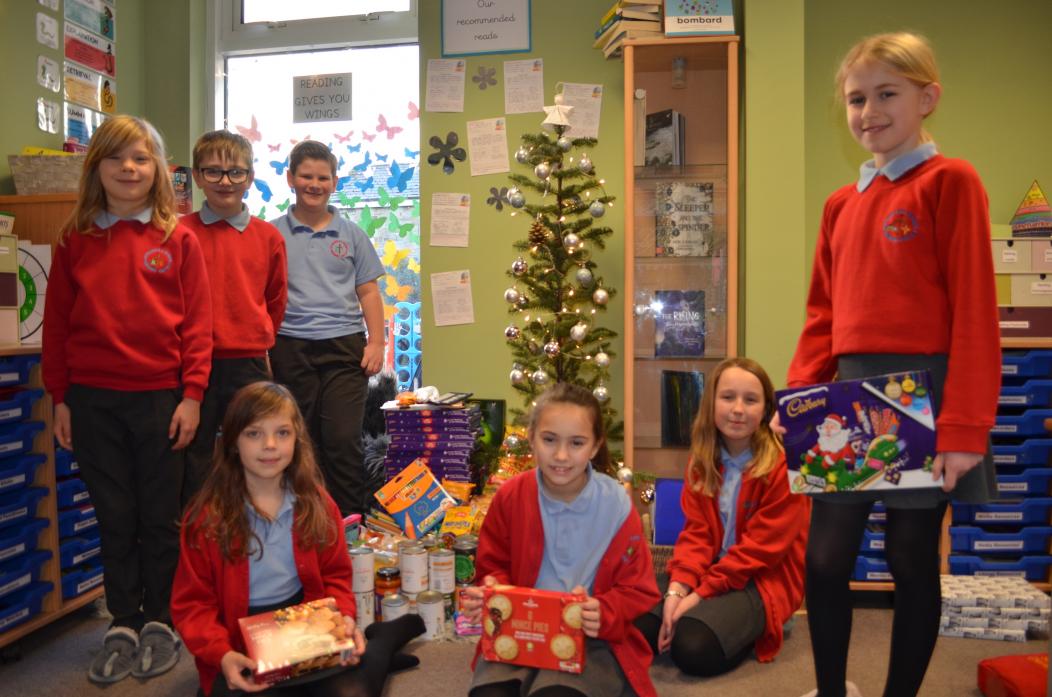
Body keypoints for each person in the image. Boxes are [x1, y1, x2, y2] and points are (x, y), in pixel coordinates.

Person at [779, 32, 1000, 697]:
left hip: (925, 395)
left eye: (886, 94)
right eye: (855, 98)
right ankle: (830, 688)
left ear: (927, 97)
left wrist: (963, 430)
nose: (868, 110)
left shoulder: (951, 181)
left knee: (910, 558)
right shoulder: (840, 205)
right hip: (848, 396)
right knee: (824, 558)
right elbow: (822, 314)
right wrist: (800, 401)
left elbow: (976, 312)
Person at [42, 114, 213, 683]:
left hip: (160, 400)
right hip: (92, 402)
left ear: (158, 169)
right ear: (98, 168)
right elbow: (57, 326)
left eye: (141, 158)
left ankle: (161, 619)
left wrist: (191, 397)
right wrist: (60, 397)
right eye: (116, 158)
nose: (129, 169)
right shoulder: (75, 238)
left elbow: (197, 327)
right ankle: (124, 619)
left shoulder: (178, 237)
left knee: (159, 515)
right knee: (114, 515)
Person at [172, 381, 424, 697]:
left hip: (308, 624)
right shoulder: (206, 518)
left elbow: (336, 576)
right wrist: (220, 653)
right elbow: (192, 605)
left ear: (296, 439)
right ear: (233, 441)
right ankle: (382, 645)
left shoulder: (317, 504)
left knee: (353, 692)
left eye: (282, 433)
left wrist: (343, 618)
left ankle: (380, 646)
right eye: (253, 433)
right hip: (238, 638)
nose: (269, 445)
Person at [461, 382, 660, 697]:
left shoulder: (616, 504)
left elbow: (638, 588)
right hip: (519, 627)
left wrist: (604, 609)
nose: (562, 455)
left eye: (577, 443)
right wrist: (491, 589)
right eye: (549, 440)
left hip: (590, 639)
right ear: (531, 439)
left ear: (595, 447)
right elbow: (492, 565)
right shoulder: (511, 496)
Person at [636, 358, 809, 679]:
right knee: (637, 626)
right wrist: (678, 590)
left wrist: (699, 597)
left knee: (692, 648)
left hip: (760, 579)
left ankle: (761, 624)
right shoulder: (702, 462)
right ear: (712, 403)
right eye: (728, 397)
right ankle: (711, 615)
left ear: (766, 409)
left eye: (751, 399)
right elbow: (696, 535)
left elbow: (758, 552)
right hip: (711, 569)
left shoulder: (784, 468)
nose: (738, 409)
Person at [269, 140, 385, 517]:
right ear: (290, 178)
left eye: (323, 177)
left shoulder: (352, 235)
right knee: (298, 440)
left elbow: (368, 292)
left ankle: (351, 527)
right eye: (306, 176)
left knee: (341, 439)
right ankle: (300, 520)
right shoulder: (272, 236)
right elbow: (261, 296)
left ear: (335, 182)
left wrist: (377, 343)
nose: (314, 184)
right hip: (289, 347)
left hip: (343, 348)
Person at [182, 129, 288, 505]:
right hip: (193, 366)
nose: (225, 181)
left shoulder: (268, 237)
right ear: (196, 177)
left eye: (235, 173)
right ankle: (198, 540)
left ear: (250, 178)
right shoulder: (180, 234)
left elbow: (275, 301)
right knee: (193, 459)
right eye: (212, 172)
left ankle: (253, 537)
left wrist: (254, 337)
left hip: (247, 364)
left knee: (255, 456)